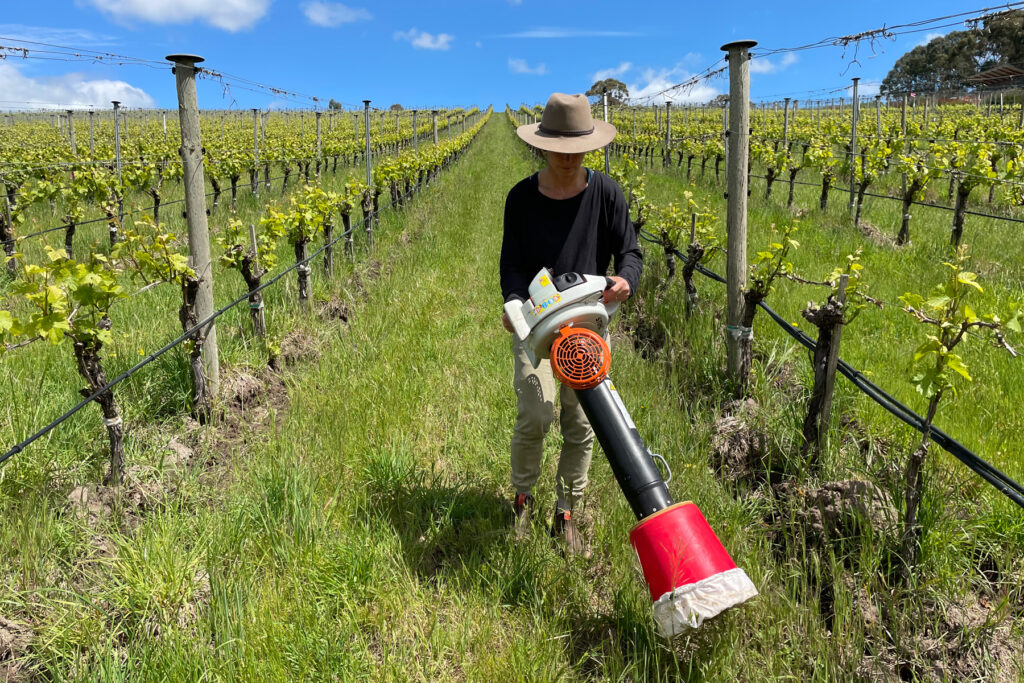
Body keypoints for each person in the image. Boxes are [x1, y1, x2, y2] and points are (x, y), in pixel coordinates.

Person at [500, 92, 642, 556]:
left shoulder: (607, 193)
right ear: (541, 146)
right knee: (535, 415)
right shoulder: (520, 198)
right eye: (559, 151)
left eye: (576, 150)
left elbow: (631, 253)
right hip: (539, 327)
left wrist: (626, 280)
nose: (568, 159)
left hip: (587, 328)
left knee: (581, 424)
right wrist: (514, 304)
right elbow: (513, 265)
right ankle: (521, 499)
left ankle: (566, 512)